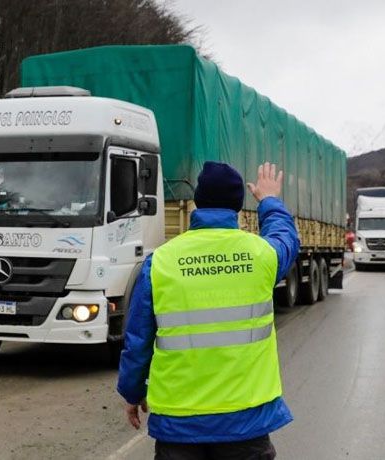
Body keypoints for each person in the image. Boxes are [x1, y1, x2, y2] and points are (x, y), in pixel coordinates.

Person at [116, 161, 300, 460]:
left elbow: (138, 339)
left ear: (197, 202)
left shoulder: (161, 262)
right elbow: (287, 238)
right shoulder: (262, 256)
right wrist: (269, 201)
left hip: (179, 424)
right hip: (245, 422)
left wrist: (132, 392)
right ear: (238, 206)